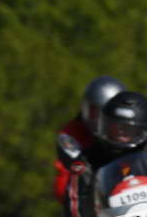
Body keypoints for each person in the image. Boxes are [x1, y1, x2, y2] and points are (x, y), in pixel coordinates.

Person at [53, 76, 126, 205]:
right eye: (95, 113)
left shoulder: (134, 132)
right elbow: (63, 187)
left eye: (107, 114)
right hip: (95, 204)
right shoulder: (72, 135)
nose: (99, 120)